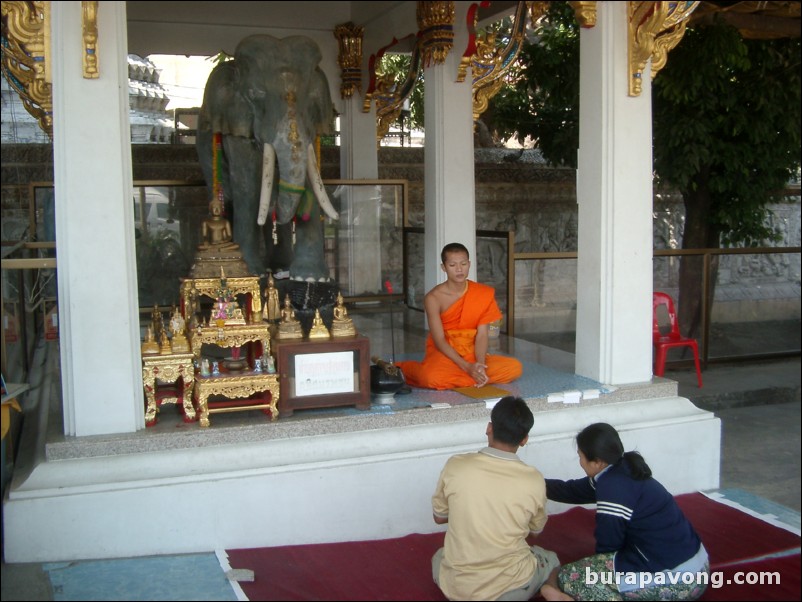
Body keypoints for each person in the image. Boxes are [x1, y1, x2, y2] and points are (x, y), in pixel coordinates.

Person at [541, 423, 709, 601]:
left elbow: (608, 545)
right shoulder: (620, 469)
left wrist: (598, 573)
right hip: (699, 567)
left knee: (569, 578)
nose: (580, 463)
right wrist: (532, 482)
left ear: (597, 461)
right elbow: (571, 490)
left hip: (678, 580)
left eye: (580, 457)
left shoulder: (613, 488)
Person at [431, 396, 561, 601]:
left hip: (457, 585)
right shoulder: (534, 479)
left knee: (440, 556)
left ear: (489, 428)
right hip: (510, 587)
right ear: (524, 439)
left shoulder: (456, 465)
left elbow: (439, 517)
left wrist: (471, 511)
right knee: (550, 559)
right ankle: (549, 588)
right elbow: (535, 532)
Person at [396, 242, 522, 390]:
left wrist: (479, 365)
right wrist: (467, 367)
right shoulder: (433, 298)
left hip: (472, 352)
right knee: (430, 378)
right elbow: (439, 340)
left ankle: (473, 376)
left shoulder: (481, 293)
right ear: (444, 267)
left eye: (463, 264)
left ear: (469, 264)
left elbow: (482, 335)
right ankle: (405, 368)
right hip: (446, 353)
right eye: (452, 265)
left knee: (515, 368)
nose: (459, 269)